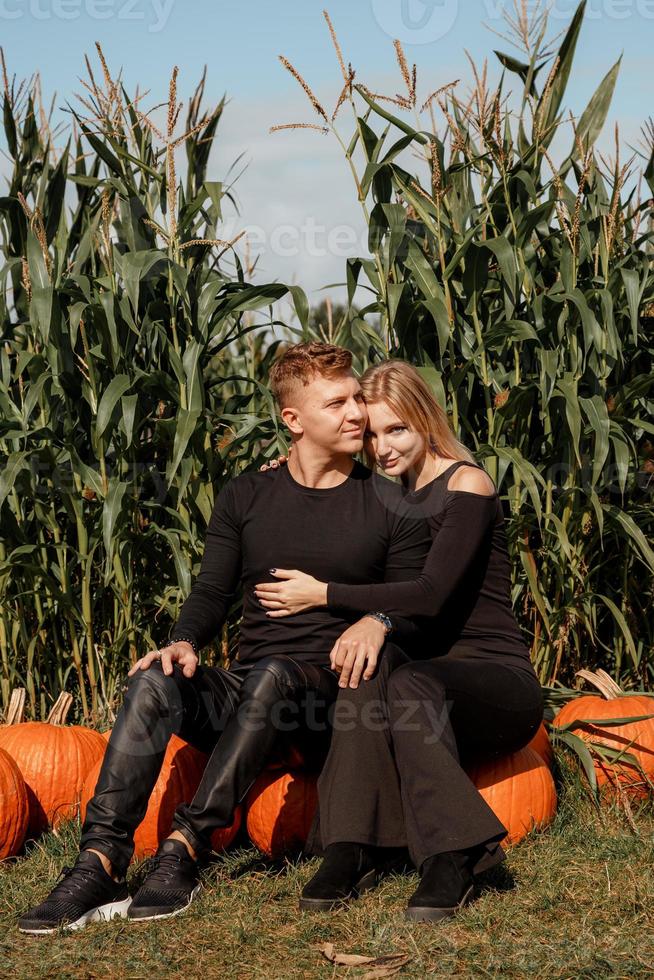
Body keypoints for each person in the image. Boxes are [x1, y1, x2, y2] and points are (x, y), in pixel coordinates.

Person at [18, 343, 433, 935]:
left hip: (329, 707)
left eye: (356, 400)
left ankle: (187, 844)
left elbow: (416, 600)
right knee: (155, 678)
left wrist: (381, 620)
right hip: (250, 699)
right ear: (292, 419)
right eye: (336, 402)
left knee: (272, 675)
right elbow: (213, 590)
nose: (356, 414)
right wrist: (184, 640)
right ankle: (98, 860)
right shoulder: (247, 494)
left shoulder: (389, 499)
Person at [255, 359, 544, 923]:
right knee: (366, 665)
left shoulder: (467, 482)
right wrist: (285, 471)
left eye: (398, 430)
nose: (383, 448)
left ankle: (454, 853)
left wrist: (335, 599)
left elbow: (432, 593)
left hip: (496, 684)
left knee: (403, 672)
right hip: (423, 678)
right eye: (372, 434)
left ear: (425, 420)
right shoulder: (387, 500)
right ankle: (350, 847)